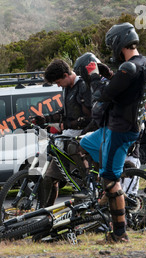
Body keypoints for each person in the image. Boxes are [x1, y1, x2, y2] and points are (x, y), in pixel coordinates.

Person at [79, 22, 146, 243]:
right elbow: (123, 89)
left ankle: (119, 234)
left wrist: (94, 76)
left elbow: (103, 95)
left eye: (112, 44)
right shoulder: (143, 63)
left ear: (119, 42)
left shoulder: (129, 67)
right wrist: (109, 74)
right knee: (85, 144)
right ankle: (113, 174)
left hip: (120, 129)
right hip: (123, 126)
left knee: (110, 181)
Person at [38, 57, 96, 205]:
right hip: (67, 138)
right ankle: (44, 217)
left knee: (79, 186)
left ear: (65, 75)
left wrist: (67, 124)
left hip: (82, 140)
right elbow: (65, 112)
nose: (58, 86)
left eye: (58, 82)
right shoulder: (66, 88)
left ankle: (87, 189)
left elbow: (89, 117)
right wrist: (46, 119)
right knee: (48, 179)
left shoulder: (83, 86)